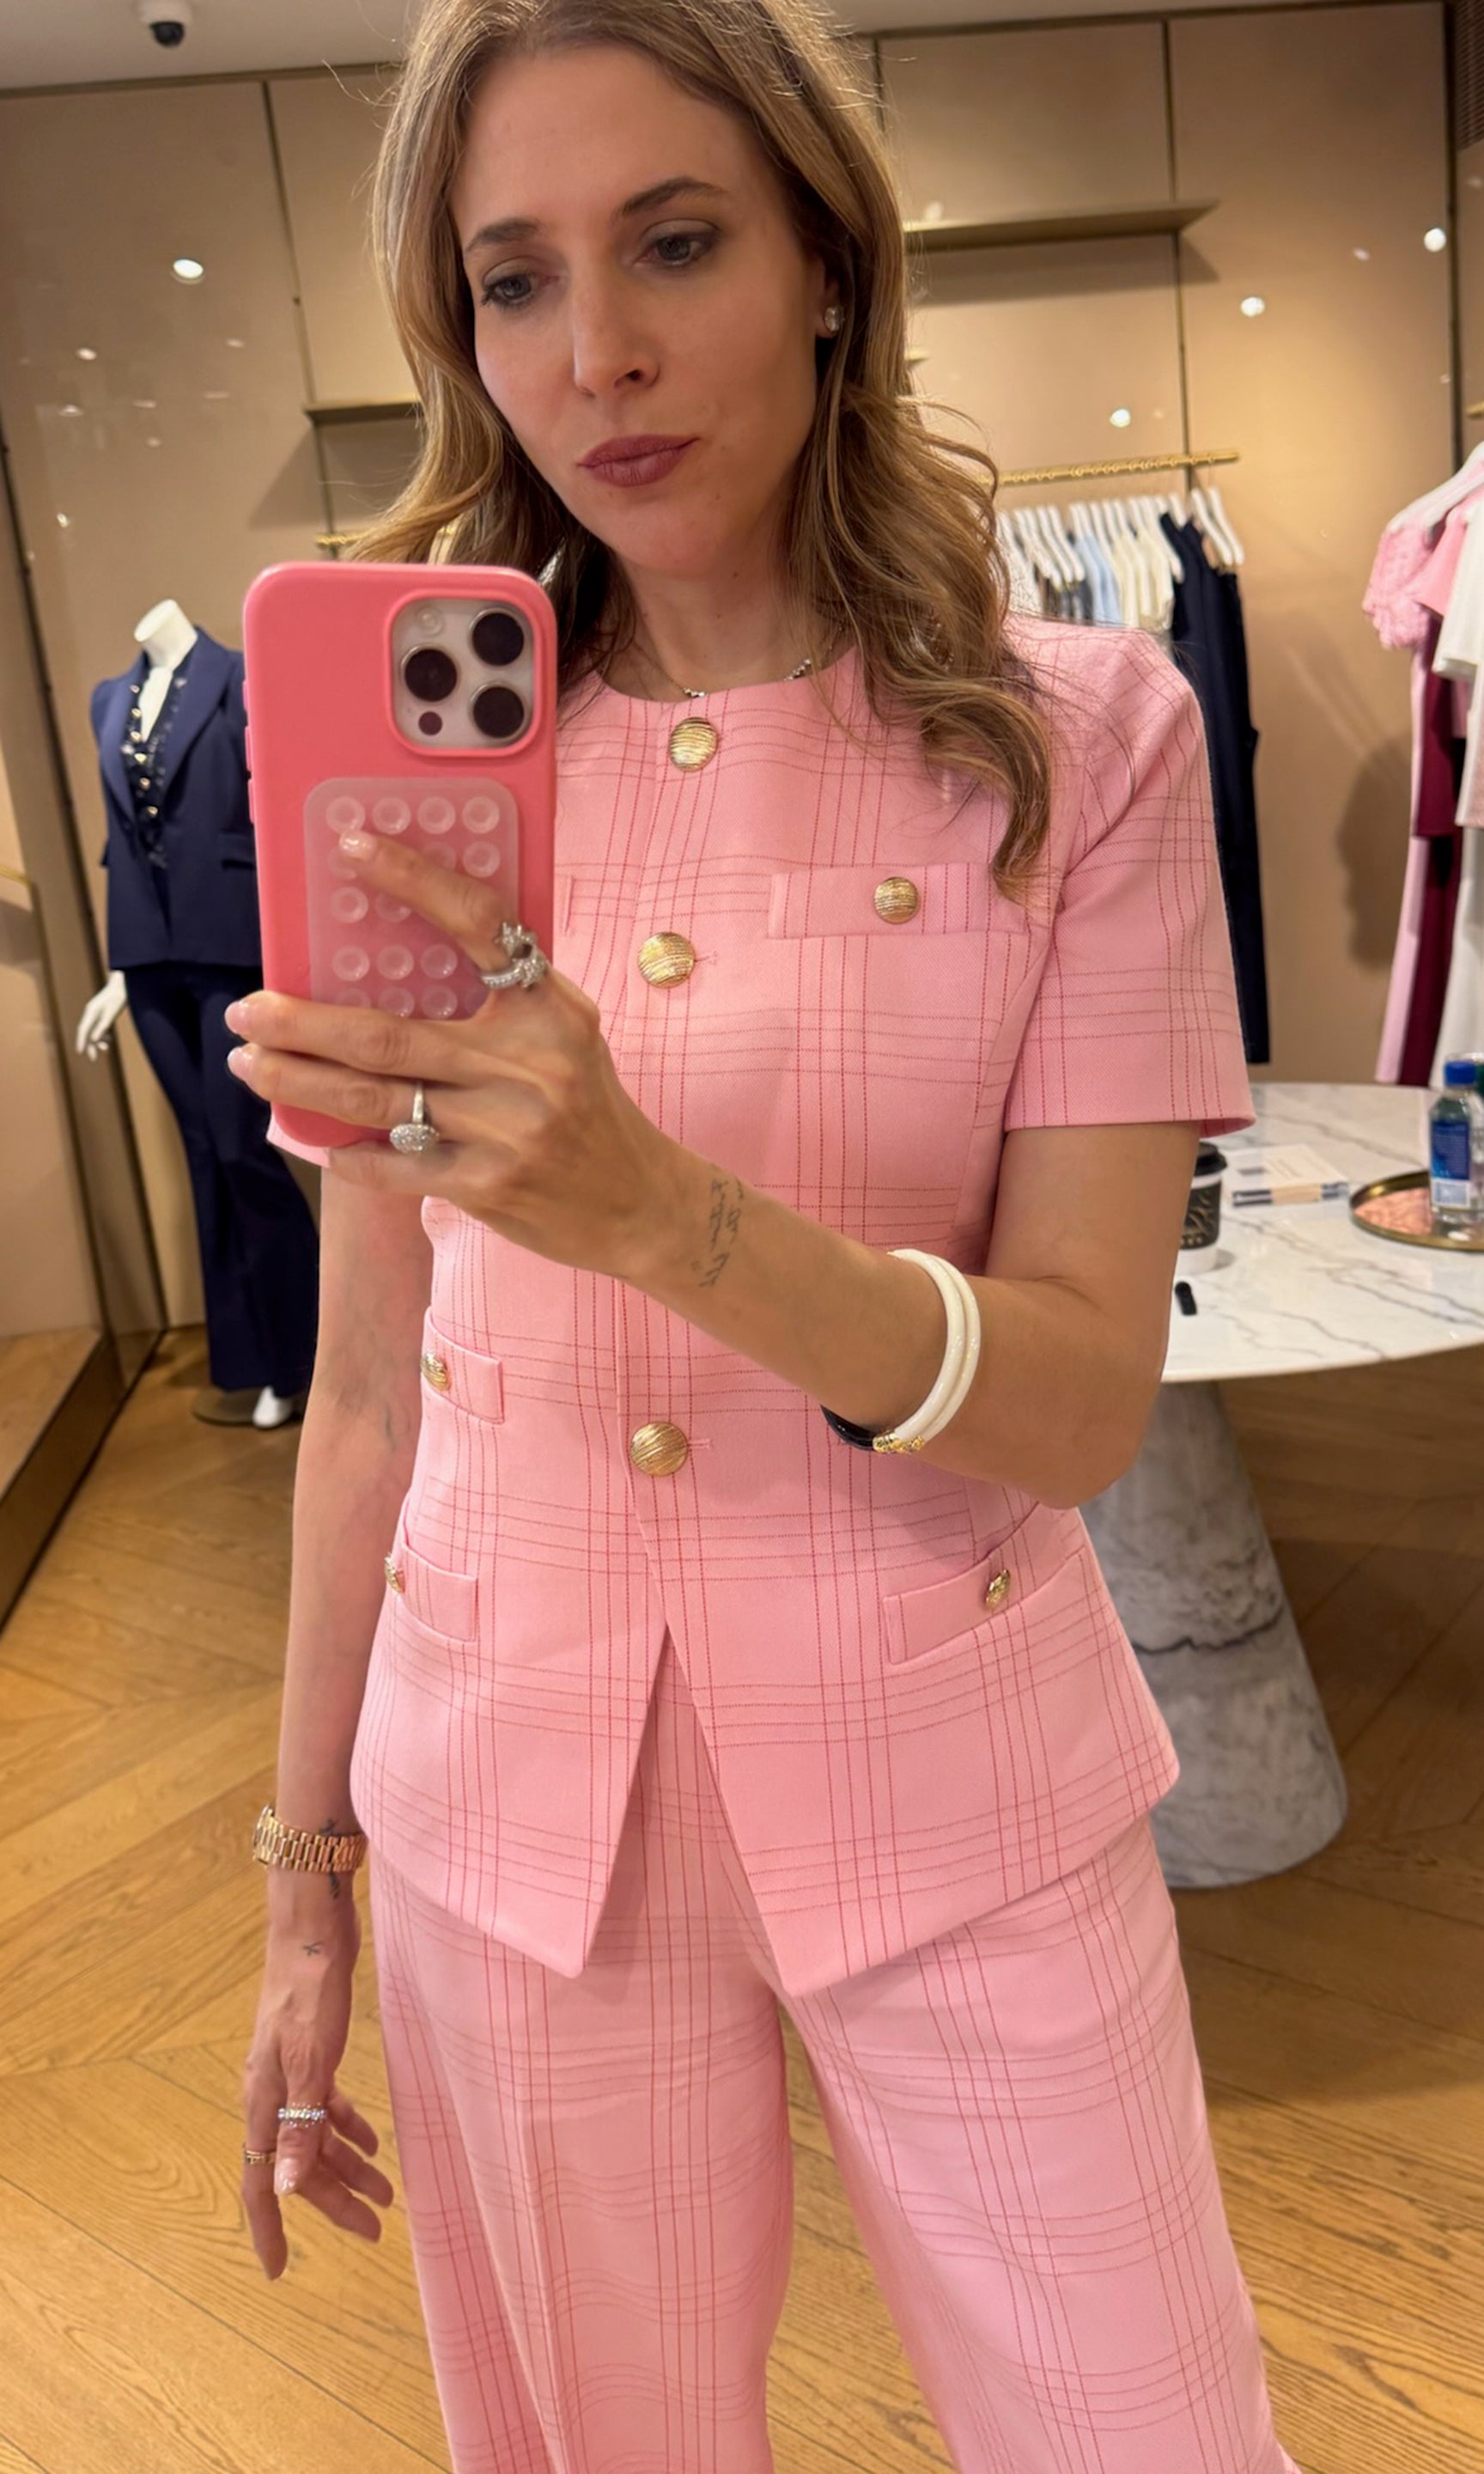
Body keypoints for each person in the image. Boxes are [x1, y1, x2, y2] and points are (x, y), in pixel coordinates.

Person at [232, 3, 1299, 2468]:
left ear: (828, 260)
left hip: (965, 1779)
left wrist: (666, 1215)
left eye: (677, 243)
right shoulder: (418, 777)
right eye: (515, 280)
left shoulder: (1081, 737)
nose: (593, 353)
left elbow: (1083, 1395)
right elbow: (372, 1383)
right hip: (509, 1810)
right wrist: (302, 1885)